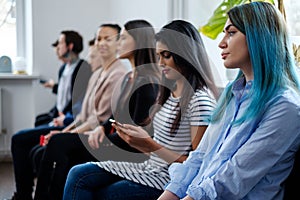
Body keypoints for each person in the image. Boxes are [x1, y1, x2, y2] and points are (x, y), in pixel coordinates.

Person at [157, 2, 300, 200]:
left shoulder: (286, 107)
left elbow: (233, 177)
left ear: (258, 36)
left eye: (231, 33)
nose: (221, 43)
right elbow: (198, 158)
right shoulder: (232, 94)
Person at [63, 19, 218, 200]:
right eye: (158, 56)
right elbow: (159, 148)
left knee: (92, 188)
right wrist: (138, 142)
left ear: (185, 54)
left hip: (166, 179)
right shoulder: (169, 92)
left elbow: (196, 166)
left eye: (166, 55)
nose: (160, 63)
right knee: (78, 173)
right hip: (150, 168)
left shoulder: (199, 101)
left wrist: (150, 145)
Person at [32, 22, 151, 200]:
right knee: (59, 145)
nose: (119, 43)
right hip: (113, 138)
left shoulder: (144, 81)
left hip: (127, 150)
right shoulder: (130, 77)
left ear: (138, 42)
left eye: (123, 38)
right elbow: (113, 116)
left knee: (59, 144)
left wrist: (102, 134)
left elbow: (133, 131)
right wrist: (102, 128)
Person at [10, 30, 92, 200]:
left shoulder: (83, 68)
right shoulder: (64, 68)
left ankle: (23, 194)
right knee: (38, 121)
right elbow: (64, 96)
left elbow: (80, 103)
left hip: (70, 121)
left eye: (60, 43)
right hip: (59, 117)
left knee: (18, 139)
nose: (56, 47)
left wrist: (66, 118)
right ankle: (25, 190)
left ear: (70, 46)